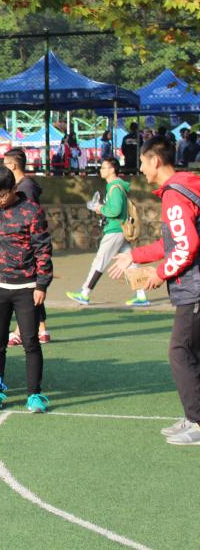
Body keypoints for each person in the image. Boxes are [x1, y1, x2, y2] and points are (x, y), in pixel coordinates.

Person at [109, 138, 200, 445]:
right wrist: (135, 256)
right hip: (193, 286)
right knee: (192, 352)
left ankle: (197, 422)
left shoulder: (175, 195)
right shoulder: (183, 188)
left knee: (180, 351)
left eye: (143, 162)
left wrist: (159, 274)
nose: (141, 169)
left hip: (195, 288)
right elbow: (173, 242)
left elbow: (186, 246)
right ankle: (193, 416)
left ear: (155, 161)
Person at [0, 166, 52, 413]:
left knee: (30, 342)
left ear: (13, 189)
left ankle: (34, 394)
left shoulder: (32, 211)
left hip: (27, 287)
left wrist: (41, 284)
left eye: (2, 195)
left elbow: (43, 249)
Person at [66, 157, 149, 308]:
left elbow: (115, 210)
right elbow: (114, 209)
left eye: (104, 167)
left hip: (115, 230)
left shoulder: (114, 188)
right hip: (120, 229)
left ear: (112, 170)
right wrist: (103, 209)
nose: (101, 170)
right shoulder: (116, 186)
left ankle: (84, 293)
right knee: (130, 262)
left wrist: (101, 208)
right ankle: (141, 295)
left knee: (100, 261)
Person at [2, 146, 49, 344]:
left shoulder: (25, 188)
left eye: (5, 164)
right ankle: (41, 328)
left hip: (26, 247)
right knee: (32, 289)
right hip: (26, 246)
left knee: (28, 290)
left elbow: (26, 217)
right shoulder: (22, 185)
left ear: (13, 165)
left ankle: (22, 330)